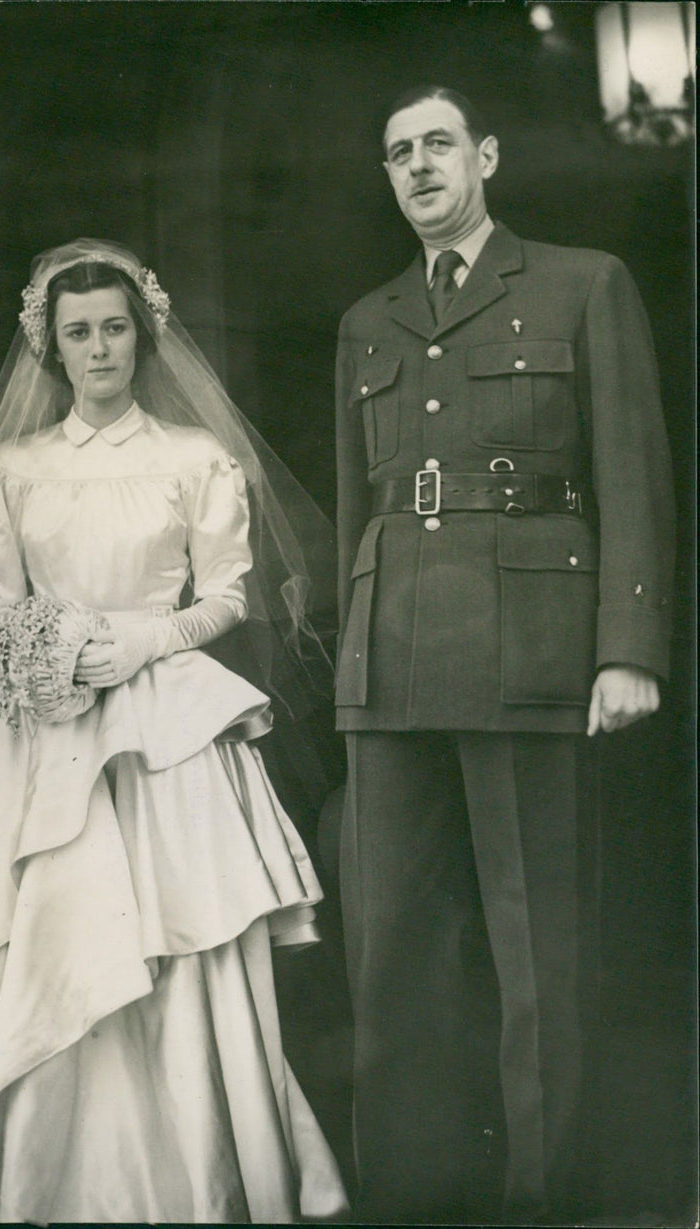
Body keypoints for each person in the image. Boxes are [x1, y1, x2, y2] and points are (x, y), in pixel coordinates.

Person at [0, 238, 349, 1224]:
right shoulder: (13, 470)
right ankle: (50, 1182)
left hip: (168, 727)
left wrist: (137, 639)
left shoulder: (195, 459)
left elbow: (228, 594)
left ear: (138, 338)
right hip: (46, 731)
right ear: (51, 350)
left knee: (178, 944)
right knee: (51, 938)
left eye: (113, 329)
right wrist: (51, 651)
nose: (98, 349)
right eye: (77, 334)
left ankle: (191, 1182)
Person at [335, 86, 674, 1224]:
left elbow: (631, 469)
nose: (418, 165)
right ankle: (411, 1197)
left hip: (532, 650)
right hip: (392, 658)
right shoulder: (368, 319)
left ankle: (543, 1202)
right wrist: (354, 659)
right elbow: (355, 507)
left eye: (437, 143)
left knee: (540, 957)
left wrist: (626, 646)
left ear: (485, 153)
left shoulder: (580, 284)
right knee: (391, 958)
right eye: (397, 153)